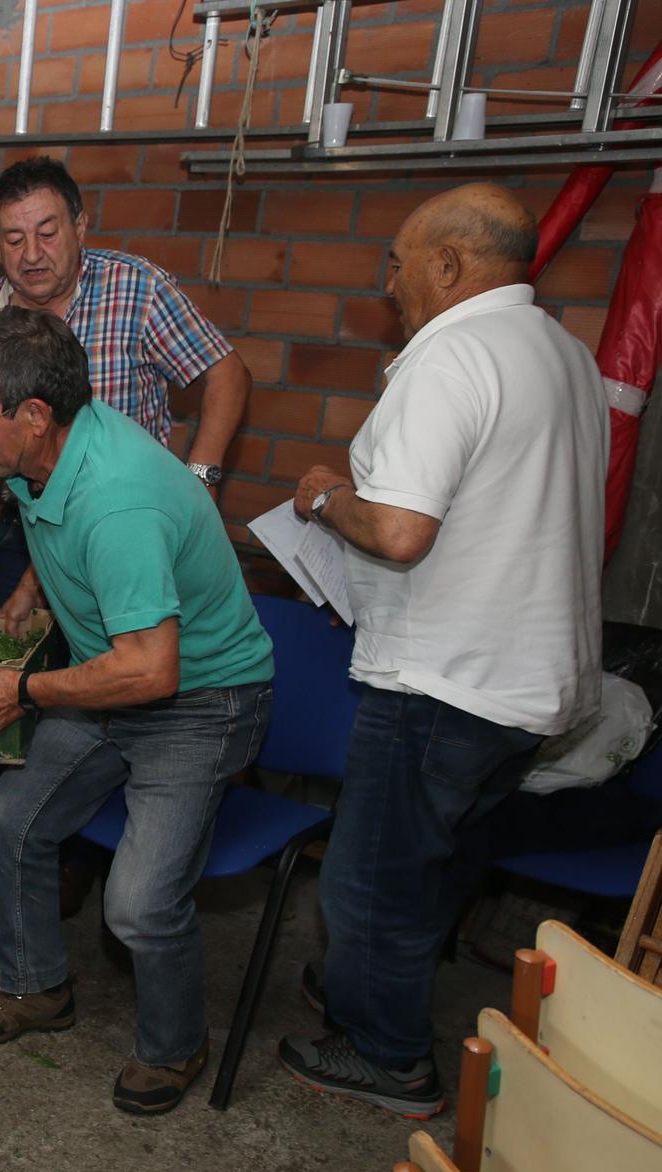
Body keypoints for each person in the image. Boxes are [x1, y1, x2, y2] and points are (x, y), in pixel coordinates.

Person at [278, 184, 607, 1118]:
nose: (389, 285)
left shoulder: (450, 355)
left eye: (395, 262)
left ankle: (388, 1056)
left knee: (373, 874)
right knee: (438, 856)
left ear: (448, 264)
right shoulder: (563, 353)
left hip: (443, 684)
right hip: (532, 683)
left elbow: (399, 531)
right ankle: (366, 985)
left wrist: (318, 498)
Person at [0, 308, 273, 1116]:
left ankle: (174, 1044)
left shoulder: (117, 499)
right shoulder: (36, 457)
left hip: (199, 701)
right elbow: (53, 528)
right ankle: (33, 987)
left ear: (33, 416)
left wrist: (21, 690)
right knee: (8, 822)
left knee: (138, 903)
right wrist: (28, 585)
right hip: (111, 681)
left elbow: (152, 671)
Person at [0, 155, 250, 612]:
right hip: (31, 521)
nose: (32, 254)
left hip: (128, 521)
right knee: (4, 651)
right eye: (14, 240)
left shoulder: (137, 288)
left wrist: (202, 478)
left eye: (48, 233)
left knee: (125, 661)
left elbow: (227, 373)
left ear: (80, 226)